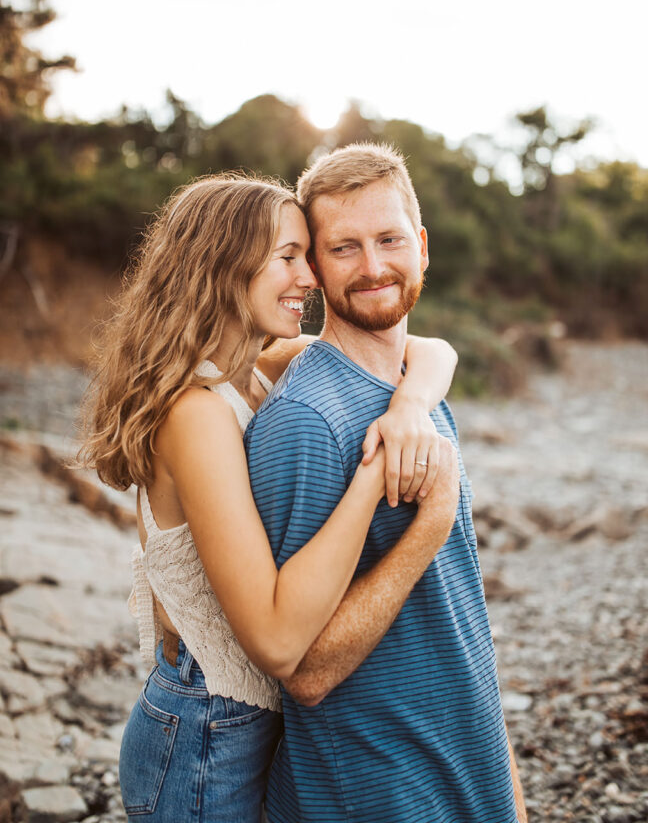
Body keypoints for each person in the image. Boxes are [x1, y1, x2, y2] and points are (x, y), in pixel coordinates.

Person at [78, 171, 460, 823]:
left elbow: (427, 348)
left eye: (306, 257)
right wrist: (376, 478)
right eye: (288, 256)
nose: (309, 278)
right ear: (223, 266)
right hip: (203, 740)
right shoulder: (195, 412)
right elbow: (281, 643)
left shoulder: (253, 368)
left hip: (241, 730)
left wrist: (409, 407)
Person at [245, 144, 528, 823]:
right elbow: (304, 671)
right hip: (376, 789)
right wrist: (428, 523)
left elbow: (453, 613)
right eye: (344, 248)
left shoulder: (413, 390)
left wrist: (504, 787)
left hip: (463, 762)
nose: (373, 267)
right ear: (312, 266)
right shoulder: (305, 423)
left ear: (422, 246)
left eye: (389, 240)